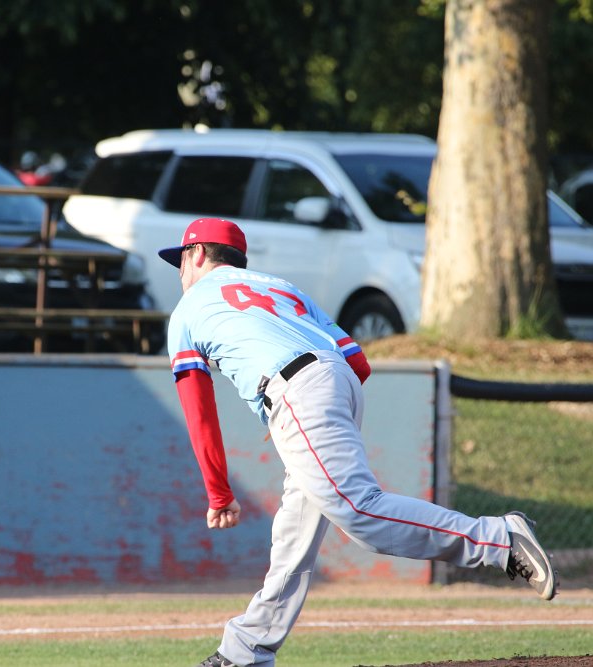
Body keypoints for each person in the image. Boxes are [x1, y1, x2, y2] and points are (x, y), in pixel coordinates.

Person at [157, 217, 560, 667]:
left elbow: (198, 409)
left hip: (295, 390)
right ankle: (246, 650)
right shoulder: (281, 288)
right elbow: (356, 360)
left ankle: (498, 538)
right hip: (335, 379)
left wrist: (219, 491)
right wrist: (316, 408)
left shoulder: (190, 308)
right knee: (295, 535)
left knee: (360, 513)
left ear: (197, 253)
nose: (180, 271)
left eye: (181, 260)